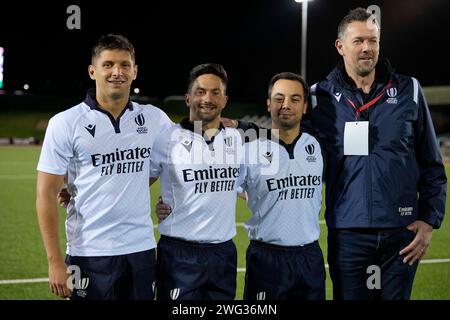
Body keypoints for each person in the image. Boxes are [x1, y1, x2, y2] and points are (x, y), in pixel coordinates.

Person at [304, 8, 447, 299]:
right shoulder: (319, 97)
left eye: (373, 40)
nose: (367, 48)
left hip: (401, 231)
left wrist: (429, 220)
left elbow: (432, 163)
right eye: (358, 41)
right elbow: (290, 147)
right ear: (340, 46)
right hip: (348, 233)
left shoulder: (410, 90)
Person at [36, 34, 172, 300]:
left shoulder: (155, 119)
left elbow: (179, 156)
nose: (117, 72)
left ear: (135, 71)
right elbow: (44, 194)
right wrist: (54, 262)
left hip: (141, 250)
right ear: (92, 71)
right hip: (89, 254)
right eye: (108, 64)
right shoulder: (65, 122)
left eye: (124, 65)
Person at [150, 63, 243, 300]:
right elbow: (134, 185)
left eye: (215, 92)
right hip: (179, 254)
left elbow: (245, 187)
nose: (207, 99)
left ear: (224, 100)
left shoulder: (237, 140)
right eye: (200, 92)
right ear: (188, 98)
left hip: (223, 252)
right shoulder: (166, 139)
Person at [239, 72, 326, 300]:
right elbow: (221, 185)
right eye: (279, 98)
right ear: (268, 104)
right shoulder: (249, 150)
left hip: (310, 257)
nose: (285, 105)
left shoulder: (317, 146)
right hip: (266, 259)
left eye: (294, 99)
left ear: (305, 106)